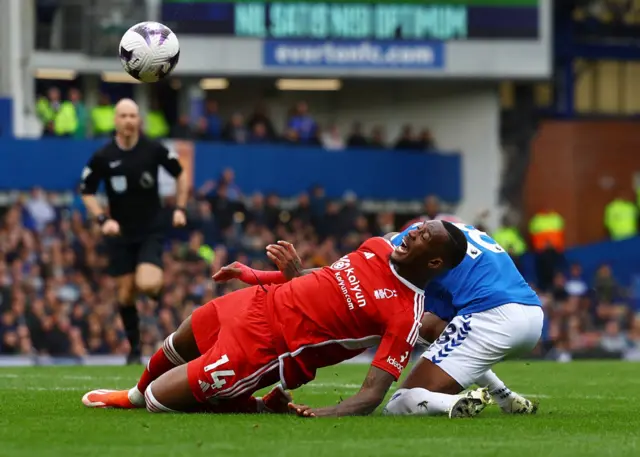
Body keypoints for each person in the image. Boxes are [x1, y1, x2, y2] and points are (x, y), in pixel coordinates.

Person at [81, 221, 470, 416]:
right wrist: (254, 274)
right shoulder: (377, 246)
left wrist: (319, 414)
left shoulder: (406, 313)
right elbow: (318, 282)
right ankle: (130, 395)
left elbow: (371, 395)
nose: (413, 232)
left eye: (423, 236)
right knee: (180, 339)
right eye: (418, 227)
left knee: (159, 401)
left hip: (268, 348)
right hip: (257, 301)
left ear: (434, 261)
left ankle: (259, 406)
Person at [258, 222, 542, 418]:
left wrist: (300, 274)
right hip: (530, 314)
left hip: (492, 317)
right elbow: (434, 326)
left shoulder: (406, 245)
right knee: (428, 327)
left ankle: (455, 403)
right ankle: (503, 395)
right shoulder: (451, 243)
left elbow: (344, 277)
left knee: (398, 404)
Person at [79, 98, 188, 364]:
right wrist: (103, 219)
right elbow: (86, 191)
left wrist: (180, 208)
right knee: (125, 294)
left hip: (150, 229)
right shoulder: (103, 156)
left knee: (146, 284)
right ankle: (134, 349)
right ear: (115, 121)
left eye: (133, 116)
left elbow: (180, 173)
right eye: (124, 116)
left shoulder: (153, 149)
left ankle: (157, 286)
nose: (129, 121)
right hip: (121, 235)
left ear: (139, 120)